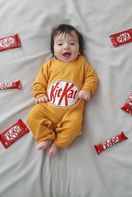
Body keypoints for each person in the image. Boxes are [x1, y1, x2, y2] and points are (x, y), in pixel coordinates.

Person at [27, 24, 98, 157]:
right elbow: (39, 82)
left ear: (79, 49)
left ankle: (57, 144)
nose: (66, 47)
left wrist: (87, 89)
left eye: (72, 43)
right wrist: (40, 94)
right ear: (53, 51)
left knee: (74, 127)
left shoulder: (82, 63)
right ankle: (46, 137)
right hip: (48, 108)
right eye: (60, 44)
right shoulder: (49, 65)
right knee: (33, 116)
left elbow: (92, 78)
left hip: (72, 111)